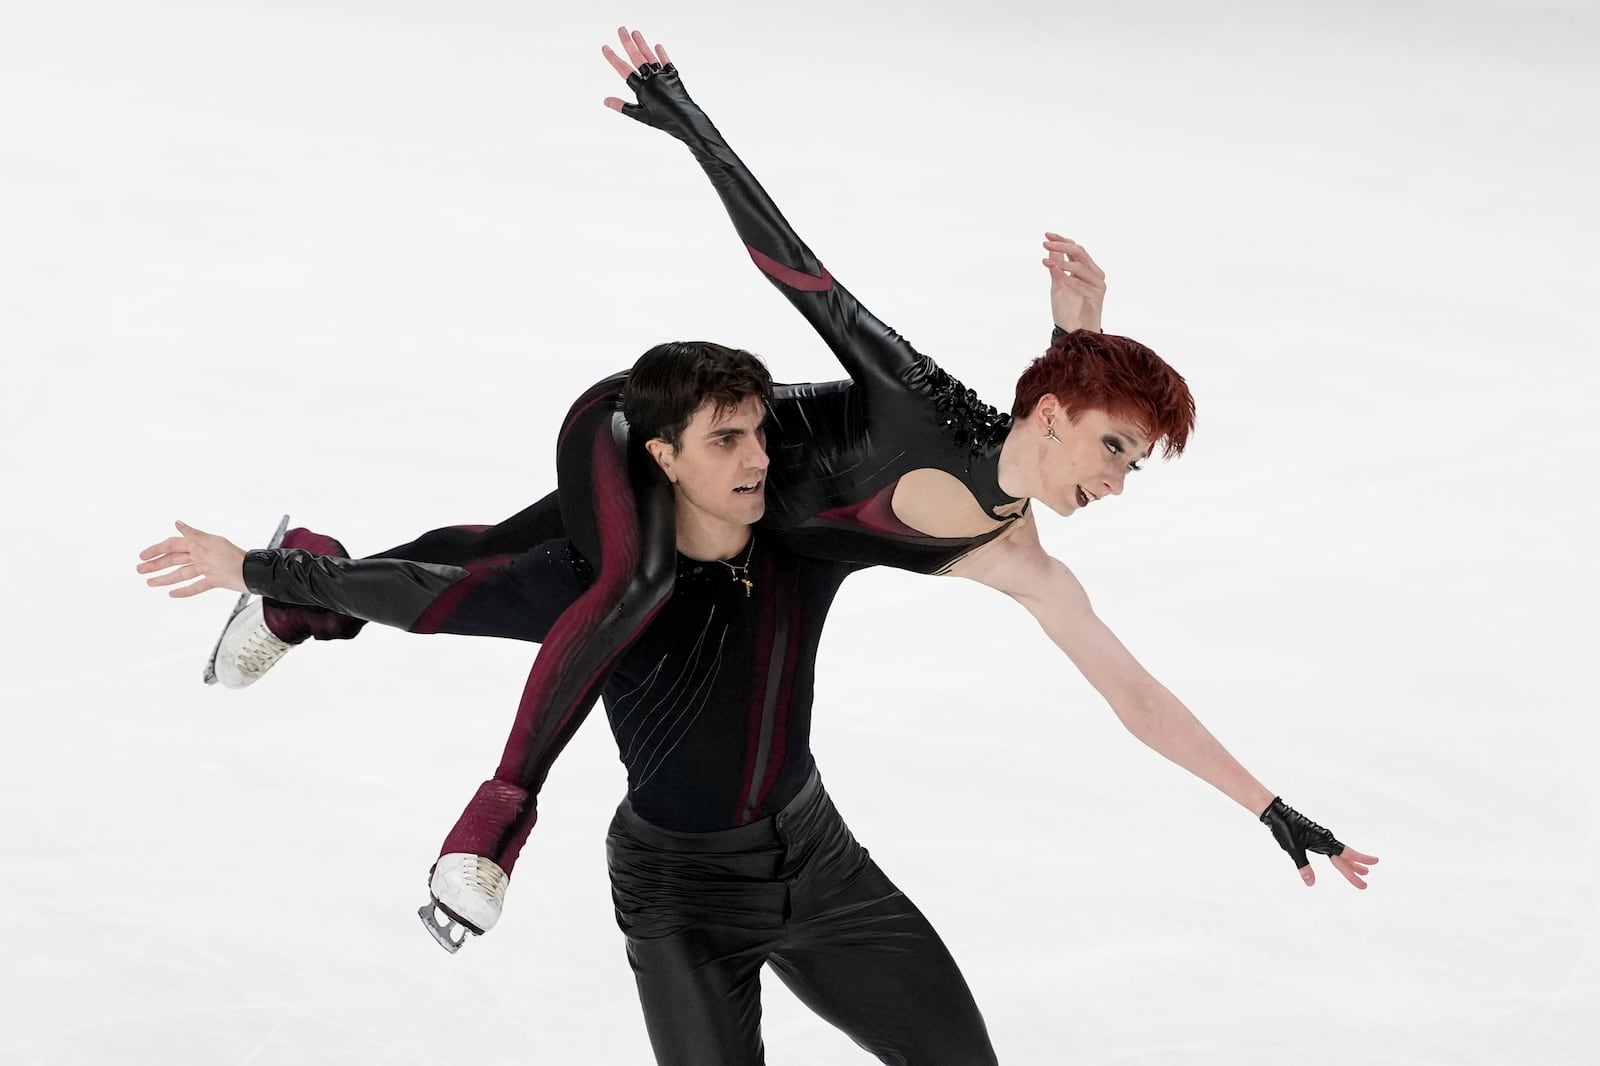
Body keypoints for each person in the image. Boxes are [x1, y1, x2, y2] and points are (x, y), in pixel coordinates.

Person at [140, 26, 1376, 944]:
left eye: (1135, 464)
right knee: (625, 583)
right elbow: (800, 272)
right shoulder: (919, 404)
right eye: (1115, 450)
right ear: (1051, 416)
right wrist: (693, 124)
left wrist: (1270, 808)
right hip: (654, 430)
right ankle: (485, 822)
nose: (1120, 481)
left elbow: (1134, 697)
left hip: (713, 505)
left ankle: (311, 582)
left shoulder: (1019, 557)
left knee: (511, 577)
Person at [146, 341, 1005, 1065]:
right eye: (726, 440)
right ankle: (305, 601)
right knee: (484, 573)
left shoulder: (805, 542)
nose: (756, 460)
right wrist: (263, 572)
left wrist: (1071, 343)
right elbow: (425, 595)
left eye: (760, 436)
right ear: (665, 457)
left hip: (822, 869)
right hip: (684, 898)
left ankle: (308, 591)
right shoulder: (593, 585)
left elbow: (970, 460)